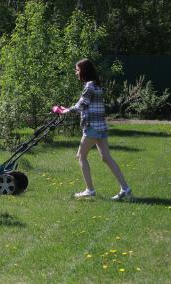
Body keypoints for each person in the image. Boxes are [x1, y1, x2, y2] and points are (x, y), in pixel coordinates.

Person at [59, 58, 132, 200]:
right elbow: (84, 104)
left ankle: (89, 190)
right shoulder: (97, 85)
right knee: (106, 158)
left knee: (81, 156)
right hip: (101, 127)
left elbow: (81, 105)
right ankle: (126, 189)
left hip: (92, 127)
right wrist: (67, 109)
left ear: (84, 71)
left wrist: (64, 111)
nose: (76, 72)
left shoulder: (89, 87)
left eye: (77, 70)